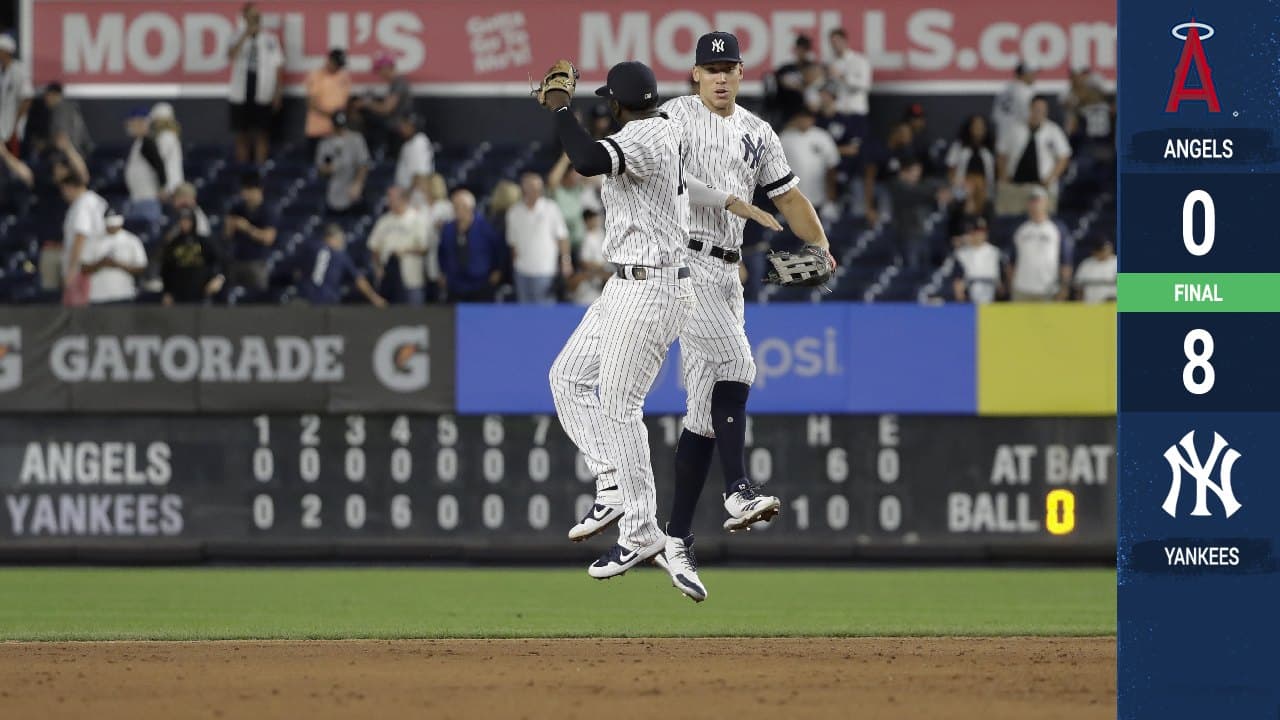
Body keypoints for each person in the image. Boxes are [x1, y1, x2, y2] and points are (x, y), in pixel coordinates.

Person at [542, 57, 780, 585]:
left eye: (609, 100)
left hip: (654, 285)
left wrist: (561, 108)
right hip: (626, 281)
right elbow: (685, 186)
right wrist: (733, 201)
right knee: (566, 378)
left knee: (621, 405)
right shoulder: (664, 132)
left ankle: (641, 531)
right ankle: (611, 486)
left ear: (617, 103)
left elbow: (583, 159)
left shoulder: (647, 135)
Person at [647, 31, 834, 600]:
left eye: (730, 66)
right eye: (712, 67)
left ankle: (675, 538)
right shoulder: (672, 117)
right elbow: (654, 171)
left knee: (704, 414)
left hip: (729, 273)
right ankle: (737, 490)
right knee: (739, 364)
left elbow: (789, 199)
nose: (722, 76)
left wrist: (822, 247)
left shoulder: (757, 131)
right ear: (695, 74)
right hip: (681, 260)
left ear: (741, 73)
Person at [226, 1, 285, 165]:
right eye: (251, 16)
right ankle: (243, 170)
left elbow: (278, 65)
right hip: (240, 91)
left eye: (257, 16)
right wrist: (245, 35)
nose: (255, 19)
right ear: (244, 17)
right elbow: (231, 56)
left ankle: (259, 169)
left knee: (262, 132)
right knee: (241, 133)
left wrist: (278, 92)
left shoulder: (269, 39)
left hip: (262, 90)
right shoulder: (236, 35)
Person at [996, 97, 1072, 214]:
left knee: (1041, 222)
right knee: (1011, 221)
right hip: (1016, 186)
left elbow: (1064, 157)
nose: (1039, 113)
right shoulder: (1014, 128)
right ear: (1030, 109)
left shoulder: (1053, 130)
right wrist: (1004, 176)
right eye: (1036, 109)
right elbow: (1001, 153)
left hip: (1042, 187)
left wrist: (1050, 178)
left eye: (1042, 110)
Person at [505, 171, 569, 303]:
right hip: (522, 271)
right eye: (532, 188)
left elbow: (562, 237)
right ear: (524, 189)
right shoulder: (514, 212)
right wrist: (515, 265)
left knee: (545, 314)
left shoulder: (551, 208)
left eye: (538, 188)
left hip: (545, 270)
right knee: (524, 314)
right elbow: (512, 243)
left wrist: (565, 261)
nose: (536, 191)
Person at [437, 188, 505, 302]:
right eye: (455, 206)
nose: (457, 210)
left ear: (470, 208)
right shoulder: (448, 229)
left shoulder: (486, 228)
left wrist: (497, 270)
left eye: (461, 206)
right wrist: (442, 272)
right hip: (455, 284)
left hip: (481, 283)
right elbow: (442, 252)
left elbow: (498, 250)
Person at [294, 223, 386, 306]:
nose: (342, 243)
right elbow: (359, 280)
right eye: (340, 240)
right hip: (327, 301)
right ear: (331, 238)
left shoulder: (310, 247)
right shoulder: (340, 255)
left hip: (305, 298)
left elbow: (297, 271)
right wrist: (374, 298)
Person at [1007, 187, 1071, 301]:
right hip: (1022, 289)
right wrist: (1011, 285)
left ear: (1046, 203)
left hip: (1048, 289)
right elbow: (1012, 261)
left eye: (1038, 201)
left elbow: (1065, 260)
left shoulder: (1057, 229)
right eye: (1032, 202)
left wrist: (1064, 287)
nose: (1035, 205)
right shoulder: (1020, 229)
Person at [368, 186, 429, 304]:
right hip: (388, 277)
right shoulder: (384, 221)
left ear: (403, 199)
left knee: (412, 316)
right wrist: (377, 268)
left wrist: (404, 251)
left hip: (411, 279)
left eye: (392, 198)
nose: (388, 201)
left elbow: (424, 247)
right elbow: (374, 246)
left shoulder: (417, 219)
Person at [779, 106, 840, 218]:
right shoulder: (785, 137)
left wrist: (831, 199)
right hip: (793, 199)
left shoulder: (823, 136)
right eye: (801, 118)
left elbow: (832, 167)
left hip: (819, 198)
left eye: (807, 118)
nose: (804, 121)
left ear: (813, 119)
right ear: (796, 119)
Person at [58, 172, 108, 306]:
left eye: (64, 190)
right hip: (89, 267)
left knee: (76, 316)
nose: (64, 195)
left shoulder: (82, 205)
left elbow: (80, 236)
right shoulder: (93, 201)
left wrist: (72, 270)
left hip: (81, 270)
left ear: (70, 187)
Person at [223, 171, 278, 293]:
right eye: (244, 190)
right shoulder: (237, 208)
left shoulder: (267, 210)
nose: (246, 194)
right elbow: (227, 236)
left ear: (259, 190)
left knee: (257, 301)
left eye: (250, 190)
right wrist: (229, 225)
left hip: (256, 263)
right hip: (236, 260)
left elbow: (268, 238)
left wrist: (247, 228)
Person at [81, 211, 147, 305]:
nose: (112, 228)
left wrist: (118, 264)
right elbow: (84, 268)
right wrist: (102, 263)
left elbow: (141, 267)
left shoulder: (132, 240)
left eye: (114, 225)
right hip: (97, 296)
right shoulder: (93, 240)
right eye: (109, 225)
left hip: (123, 295)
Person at [161, 209, 225, 305]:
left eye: (188, 220)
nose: (184, 223)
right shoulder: (173, 243)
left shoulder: (204, 241)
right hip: (179, 294)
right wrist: (167, 291)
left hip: (202, 292)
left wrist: (218, 278)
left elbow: (220, 261)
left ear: (193, 222)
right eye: (182, 220)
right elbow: (166, 269)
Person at [315, 111, 370, 216]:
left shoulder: (356, 139)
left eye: (342, 126)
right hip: (332, 190)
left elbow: (364, 164)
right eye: (338, 126)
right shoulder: (325, 143)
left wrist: (358, 184)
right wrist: (327, 169)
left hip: (352, 188)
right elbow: (320, 168)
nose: (340, 129)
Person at [357, 51, 412, 155]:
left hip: (398, 132)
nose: (379, 74)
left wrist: (366, 103)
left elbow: (386, 108)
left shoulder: (399, 83)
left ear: (386, 68)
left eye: (379, 70)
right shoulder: (395, 83)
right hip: (394, 131)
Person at [123, 107, 167, 222]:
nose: (130, 127)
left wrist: (162, 186)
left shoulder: (147, 143)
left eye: (133, 124)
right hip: (137, 199)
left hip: (147, 199)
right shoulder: (138, 143)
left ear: (142, 123)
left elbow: (159, 165)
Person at [304, 48, 351, 156]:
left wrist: (340, 117)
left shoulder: (344, 77)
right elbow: (311, 103)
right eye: (337, 64)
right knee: (318, 165)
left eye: (340, 65)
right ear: (329, 60)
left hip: (337, 130)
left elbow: (345, 102)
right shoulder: (316, 76)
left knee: (339, 164)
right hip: (318, 130)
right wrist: (332, 115)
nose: (338, 67)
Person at [824, 28, 870, 135]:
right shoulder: (831, 62)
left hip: (856, 112)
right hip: (837, 112)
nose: (834, 45)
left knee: (857, 147)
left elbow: (864, 85)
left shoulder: (860, 61)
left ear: (845, 41)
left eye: (837, 41)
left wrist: (841, 76)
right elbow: (831, 88)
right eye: (832, 42)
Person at [765, 35, 816, 127]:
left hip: (807, 111)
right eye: (799, 49)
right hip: (787, 110)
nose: (801, 52)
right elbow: (781, 81)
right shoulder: (786, 69)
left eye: (804, 49)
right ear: (796, 49)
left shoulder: (813, 67)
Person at [950, 216, 1003, 304]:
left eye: (981, 232)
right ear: (970, 233)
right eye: (976, 232)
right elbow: (957, 278)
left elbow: (1002, 283)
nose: (979, 235)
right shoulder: (961, 254)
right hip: (969, 298)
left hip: (993, 297)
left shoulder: (995, 252)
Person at [567, 208, 611, 305]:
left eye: (595, 218)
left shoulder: (602, 234)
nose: (595, 221)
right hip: (591, 277)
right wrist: (597, 269)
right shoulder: (585, 237)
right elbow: (584, 262)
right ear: (587, 221)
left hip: (605, 273)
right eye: (592, 218)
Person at [944, 114, 995, 197]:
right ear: (969, 127)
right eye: (976, 126)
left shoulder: (987, 152)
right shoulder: (958, 147)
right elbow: (951, 170)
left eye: (982, 126)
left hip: (983, 190)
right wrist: (958, 184)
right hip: (961, 187)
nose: (979, 129)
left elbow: (990, 176)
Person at [0, 33, 32, 156]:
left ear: (7, 52)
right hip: (1, 124)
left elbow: (27, 99)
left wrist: (15, 124)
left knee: (12, 160)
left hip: (13, 127)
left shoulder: (20, 71)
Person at [547, 153, 587, 251]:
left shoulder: (577, 188)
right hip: (560, 245)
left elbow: (595, 176)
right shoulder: (557, 190)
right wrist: (565, 159)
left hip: (578, 243)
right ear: (566, 174)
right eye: (575, 173)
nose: (579, 176)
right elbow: (552, 180)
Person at [992, 62, 1036, 145]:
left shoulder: (1005, 89)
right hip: (1018, 136)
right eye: (1031, 73)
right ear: (1022, 75)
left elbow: (995, 116)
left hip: (1001, 134)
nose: (1034, 76)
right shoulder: (1026, 91)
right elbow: (1028, 117)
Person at [149, 103, 184, 199]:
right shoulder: (169, 136)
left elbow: (157, 161)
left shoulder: (166, 136)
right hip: (171, 185)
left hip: (169, 187)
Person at [1072, 234, 1116, 303]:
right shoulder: (1086, 264)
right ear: (1095, 251)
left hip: (1112, 308)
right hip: (1090, 308)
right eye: (1103, 249)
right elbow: (1079, 290)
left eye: (1108, 248)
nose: (1106, 251)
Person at [394, 114, 433, 191]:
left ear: (414, 127)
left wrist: (408, 195)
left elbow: (420, 174)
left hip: (415, 192)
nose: (402, 127)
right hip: (407, 191)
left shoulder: (418, 142)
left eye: (406, 124)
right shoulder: (409, 142)